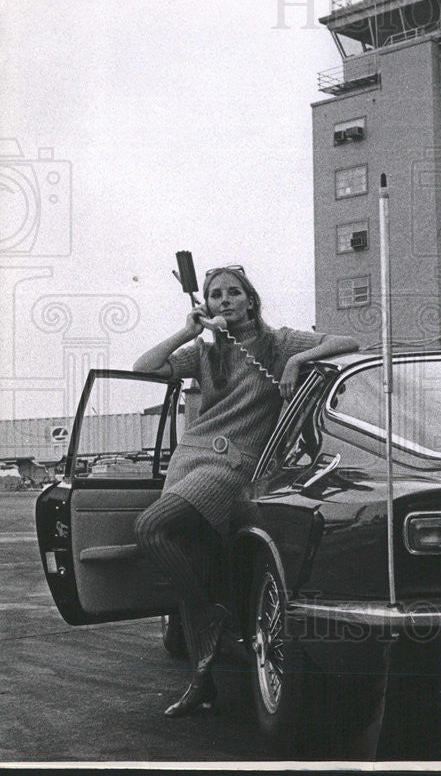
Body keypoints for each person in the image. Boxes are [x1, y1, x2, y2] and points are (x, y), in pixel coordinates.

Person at [133, 266, 358, 717]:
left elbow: (348, 342)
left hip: (233, 464)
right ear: (208, 305)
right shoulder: (206, 351)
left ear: (251, 300)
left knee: (150, 527)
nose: (225, 301)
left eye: (234, 293)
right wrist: (186, 331)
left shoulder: (280, 343)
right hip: (190, 459)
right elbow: (145, 368)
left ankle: (210, 614)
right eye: (216, 295)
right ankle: (203, 681)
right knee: (195, 561)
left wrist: (296, 362)